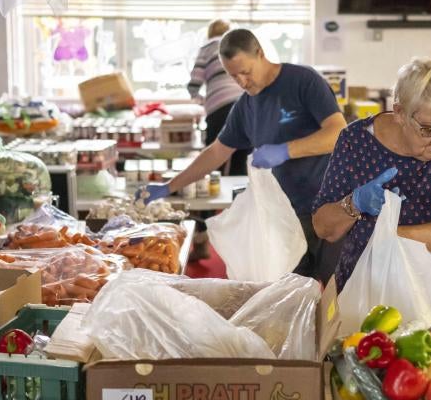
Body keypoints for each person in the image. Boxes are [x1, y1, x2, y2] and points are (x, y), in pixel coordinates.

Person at [311, 58, 431, 348]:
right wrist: (353, 203)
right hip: (368, 299)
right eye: (429, 128)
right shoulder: (356, 142)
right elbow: (323, 227)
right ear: (399, 113)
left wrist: (393, 238)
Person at [141, 28, 347, 281]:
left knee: (333, 286)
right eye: (232, 76)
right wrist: (169, 186)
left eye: (245, 72)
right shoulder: (246, 106)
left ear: (260, 53)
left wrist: (286, 150)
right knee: (293, 290)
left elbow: (338, 132)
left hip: (323, 205)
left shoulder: (302, 81)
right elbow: (217, 151)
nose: (241, 82)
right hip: (281, 214)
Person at [187, 19, 248, 176]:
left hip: (218, 108)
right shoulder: (239, 49)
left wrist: (205, 101)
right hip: (244, 104)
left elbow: (194, 85)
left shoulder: (206, 48)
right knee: (242, 156)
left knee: (214, 158)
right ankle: (238, 195)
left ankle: (213, 193)